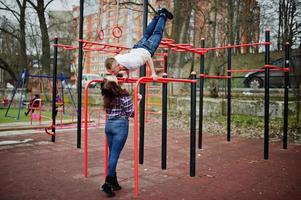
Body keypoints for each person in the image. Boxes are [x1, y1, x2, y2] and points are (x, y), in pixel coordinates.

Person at [100, 75, 140, 197]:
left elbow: (108, 111)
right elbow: (131, 113)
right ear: (114, 83)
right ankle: (107, 184)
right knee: (114, 155)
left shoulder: (107, 95)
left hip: (109, 125)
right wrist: (138, 101)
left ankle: (114, 182)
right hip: (120, 126)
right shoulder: (124, 96)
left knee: (112, 154)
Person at [105, 8, 173, 79]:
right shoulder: (116, 59)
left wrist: (153, 73)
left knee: (157, 34)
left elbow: (148, 57)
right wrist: (126, 74)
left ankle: (163, 15)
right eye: (111, 73)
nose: (113, 74)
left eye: (113, 72)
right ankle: (157, 16)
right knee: (147, 34)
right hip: (137, 47)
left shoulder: (132, 63)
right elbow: (124, 64)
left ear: (117, 65)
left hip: (147, 49)